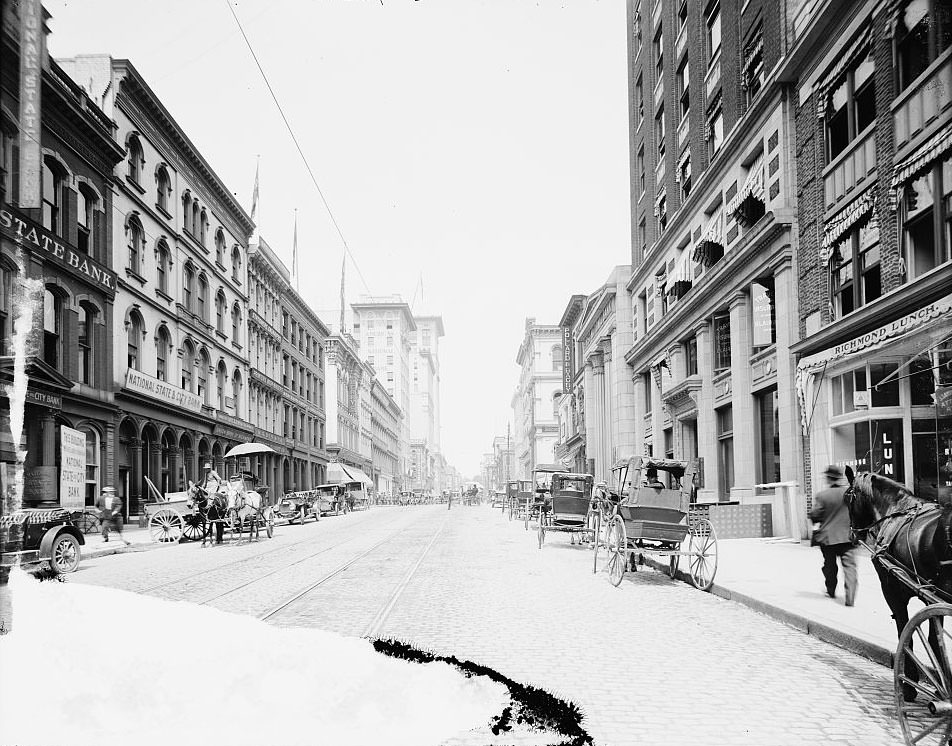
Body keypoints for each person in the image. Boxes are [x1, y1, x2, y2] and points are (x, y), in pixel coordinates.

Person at [809, 464, 857, 606]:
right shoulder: (849, 493)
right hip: (847, 537)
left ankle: (831, 590)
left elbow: (816, 515)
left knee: (829, 566)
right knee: (850, 567)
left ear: (829, 479)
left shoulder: (822, 496)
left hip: (828, 538)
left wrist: (813, 516)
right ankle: (850, 598)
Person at [200, 462, 226, 544]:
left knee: (211, 495)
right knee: (203, 495)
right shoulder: (206, 474)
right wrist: (202, 487)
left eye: (207, 468)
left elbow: (219, 479)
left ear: (210, 468)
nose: (206, 470)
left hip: (213, 486)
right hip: (208, 487)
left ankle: (210, 504)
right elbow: (205, 482)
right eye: (205, 469)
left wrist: (218, 485)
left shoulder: (213, 472)